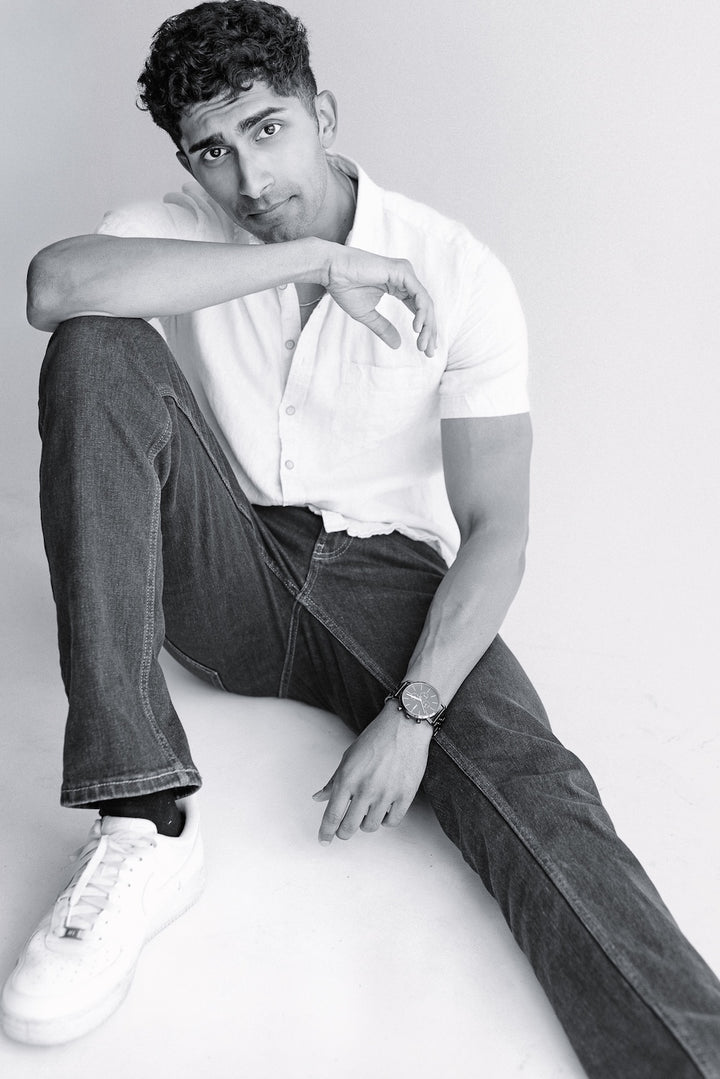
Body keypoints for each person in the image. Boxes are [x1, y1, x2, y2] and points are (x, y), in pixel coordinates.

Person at [2, 1, 719, 1074]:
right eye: (213, 149)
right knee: (96, 346)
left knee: (541, 790)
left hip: (389, 581)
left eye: (269, 128)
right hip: (229, 565)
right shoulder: (184, 230)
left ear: (323, 113)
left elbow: (499, 527)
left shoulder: (456, 269)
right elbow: (53, 289)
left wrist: (417, 709)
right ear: (187, 162)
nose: (250, 178)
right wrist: (308, 263)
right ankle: (142, 815)